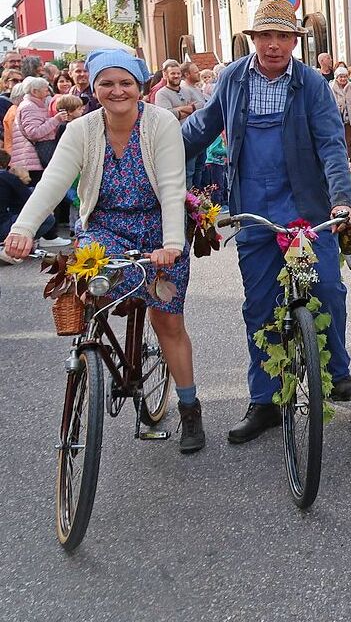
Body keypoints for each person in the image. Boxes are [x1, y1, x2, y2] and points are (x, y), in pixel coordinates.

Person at [180, 0, 351, 444]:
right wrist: (153, 148)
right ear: (253, 39)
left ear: (294, 43)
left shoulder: (312, 85)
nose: (274, 45)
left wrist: (341, 201)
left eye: (283, 37)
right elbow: (202, 128)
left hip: (305, 205)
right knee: (259, 306)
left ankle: (337, 370)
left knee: (325, 287)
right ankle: (263, 401)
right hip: (252, 209)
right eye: (266, 36)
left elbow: (331, 146)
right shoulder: (233, 79)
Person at [3, 50, 205, 452]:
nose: (117, 91)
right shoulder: (81, 129)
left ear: (140, 86)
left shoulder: (160, 123)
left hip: (156, 230)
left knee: (167, 322)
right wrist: (23, 229)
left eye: (125, 82)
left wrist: (171, 244)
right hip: (105, 227)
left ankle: (189, 408)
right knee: (93, 285)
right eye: (107, 83)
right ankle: (99, 354)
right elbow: (53, 182)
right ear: (94, 88)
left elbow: (170, 187)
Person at [330, 64, 351, 156]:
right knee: (338, 142)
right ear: (336, 77)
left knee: (348, 142)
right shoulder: (331, 86)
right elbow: (329, 101)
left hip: (349, 118)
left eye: (344, 77)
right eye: (341, 77)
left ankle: (348, 163)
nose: (343, 79)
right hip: (337, 118)